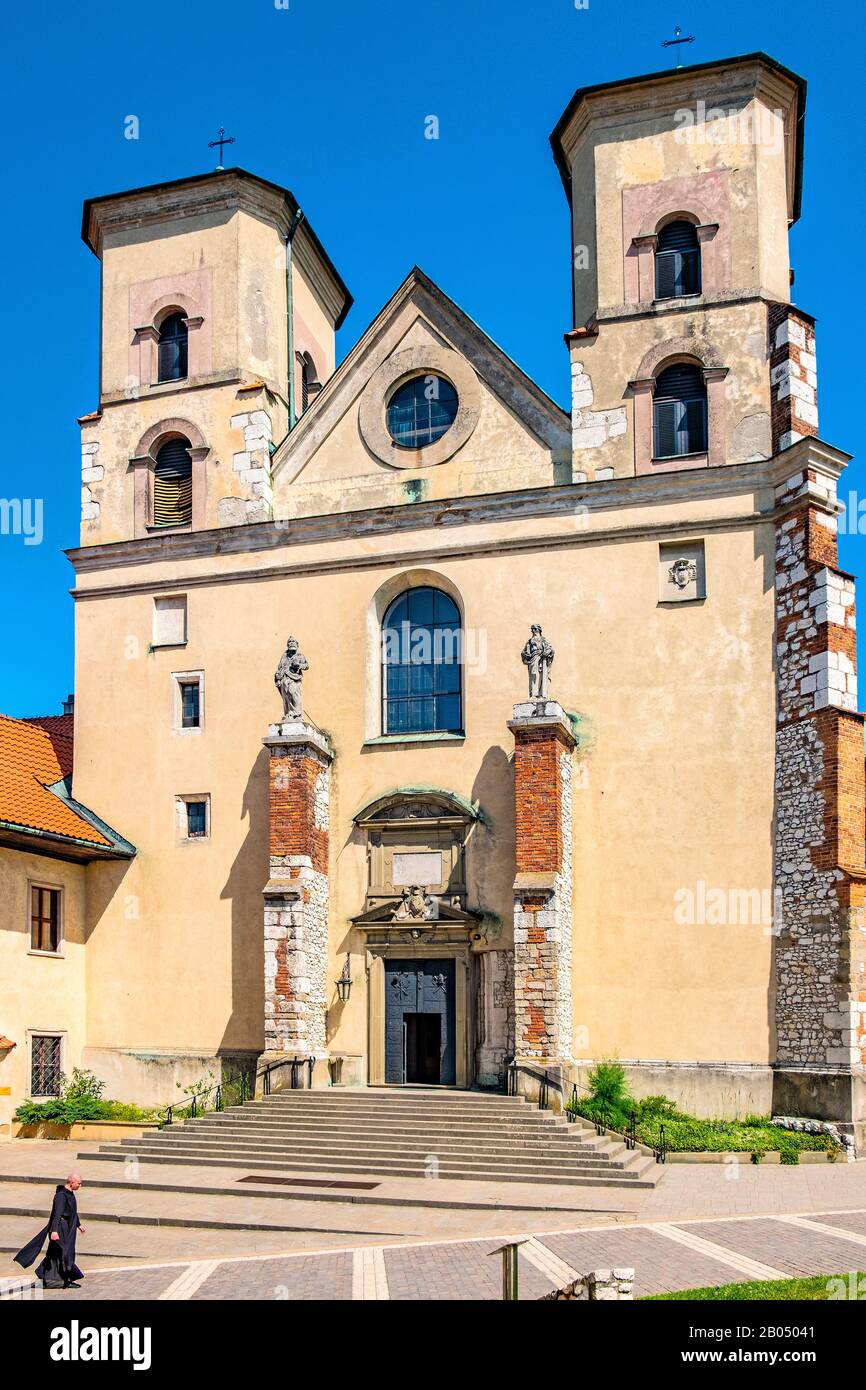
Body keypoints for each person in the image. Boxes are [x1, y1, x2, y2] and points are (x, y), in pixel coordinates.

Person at [14, 1174, 85, 1289]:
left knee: (55, 1252)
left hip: (67, 1227)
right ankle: (67, 1279)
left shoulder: (70, 1194)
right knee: (64, 1253)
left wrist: (78, 1224)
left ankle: (43, 1275)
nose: (80, 1185)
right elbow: (57, 1213)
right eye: (79, 1183)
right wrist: (54, 1231)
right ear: (71, 1182)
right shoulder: (61, 1196)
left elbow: (72, 1210)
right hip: (60, 1228)